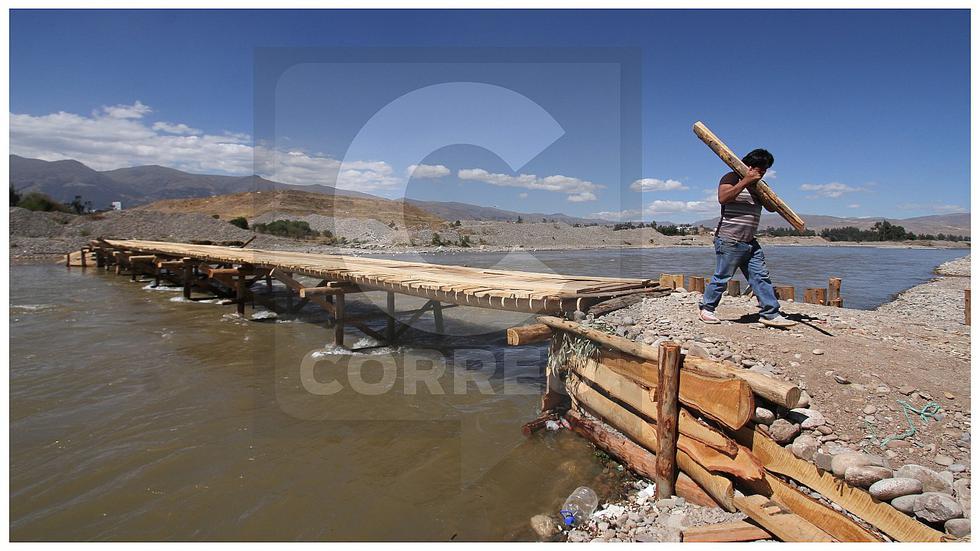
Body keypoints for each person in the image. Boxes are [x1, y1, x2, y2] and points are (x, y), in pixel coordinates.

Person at [698, 148, 796, 328]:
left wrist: (758, 187)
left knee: (761, 276)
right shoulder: (730, 178)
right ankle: (707, 309)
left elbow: (771, 207)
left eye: (766, 169)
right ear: (750, 165)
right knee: (722, 277)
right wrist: (745, 181)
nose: (763, 172)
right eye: (761, 168)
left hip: (750, 240)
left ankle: (770, 313)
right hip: (729, 239)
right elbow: (723, 198)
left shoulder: (760, 184)